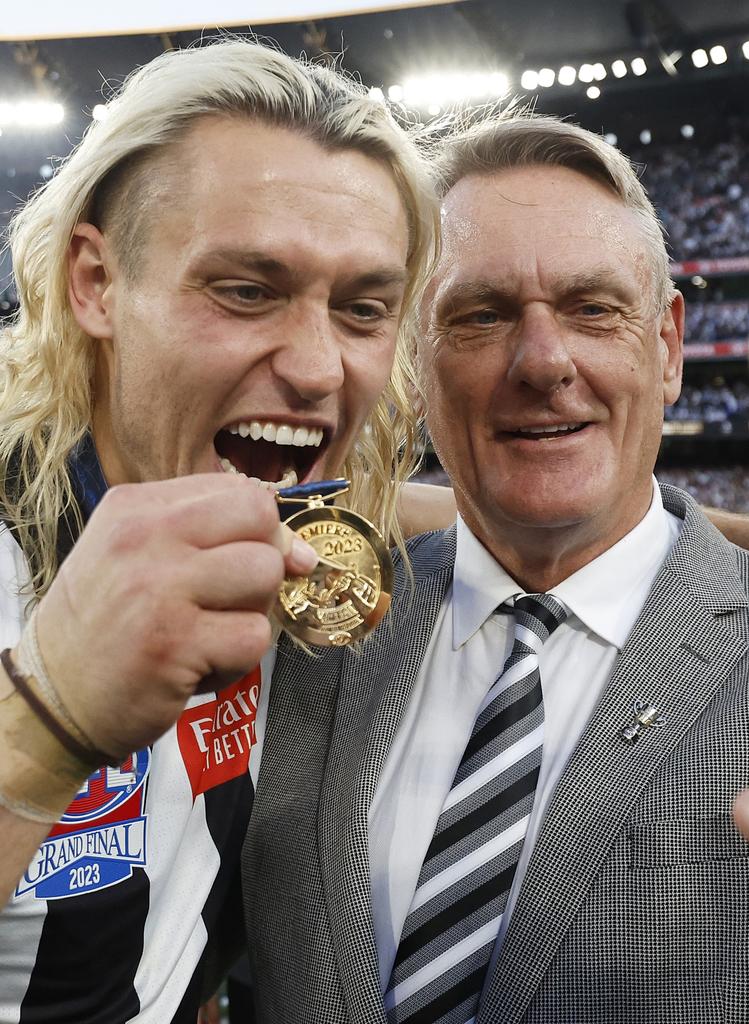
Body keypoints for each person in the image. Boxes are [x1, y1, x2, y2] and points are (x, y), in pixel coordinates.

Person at [241, 113, 749, 1023]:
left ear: (670, 345)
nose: (543, 362)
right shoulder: (294, 637)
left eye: (593, 309)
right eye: (479, 316)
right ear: (414, 356)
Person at [0, 38, 441, 1021]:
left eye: (365, 308)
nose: (321, 367)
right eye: (246, 289)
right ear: (95, 284)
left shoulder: (295, 524)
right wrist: (43, 721)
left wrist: (693, 532)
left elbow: (419, 512)